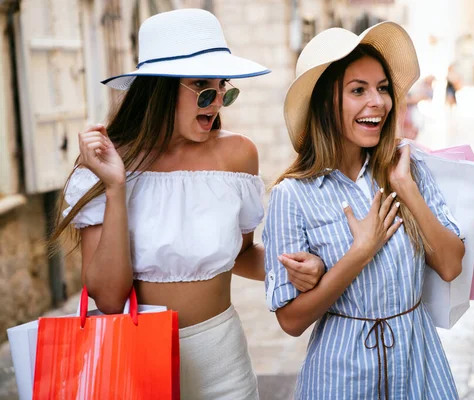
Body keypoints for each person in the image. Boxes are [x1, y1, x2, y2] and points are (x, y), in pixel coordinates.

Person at [50, 9, 324, 399]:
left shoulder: (238, 156)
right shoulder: (109, 163)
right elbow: (109, 299)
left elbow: (242, 255)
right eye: (203, 89)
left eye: (223, 89)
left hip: (223, 361)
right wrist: (115, 187)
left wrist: (303, 267)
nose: (215, 104)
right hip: (133, 363)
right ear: (159, 89)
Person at [263, 23, 465, 399]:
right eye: (358, 90)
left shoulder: (408, 168)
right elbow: (290, 320)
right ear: (326, 102)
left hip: (418, 364)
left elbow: (451, 265)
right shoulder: (292, 195)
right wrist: (359, 252)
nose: (378, 102)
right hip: (341, 376)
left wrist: (406, 188)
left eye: (383, 88)